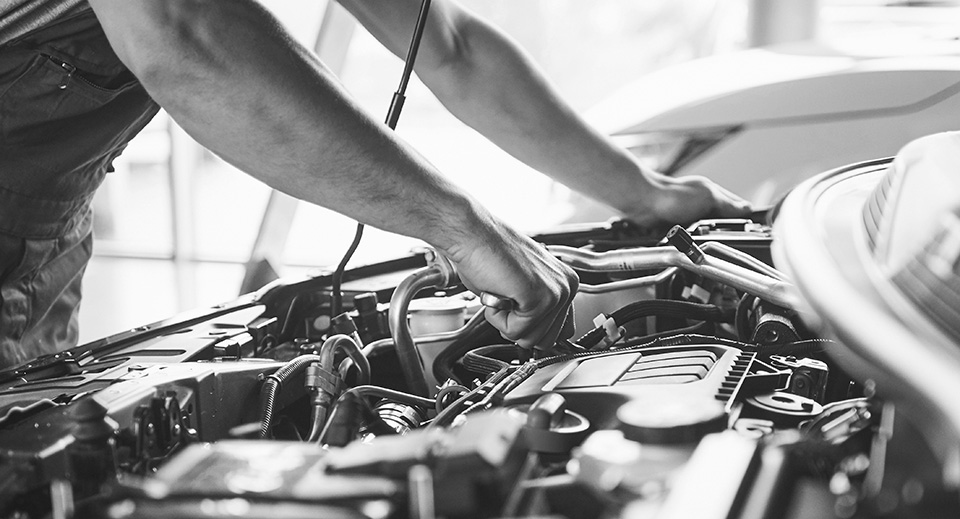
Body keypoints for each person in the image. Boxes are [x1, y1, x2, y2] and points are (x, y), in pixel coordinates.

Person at [0, 0, 750, 369]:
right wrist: (464, 229)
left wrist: (648, 195)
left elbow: (451, 49)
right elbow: (185, 35)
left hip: (42, 245)